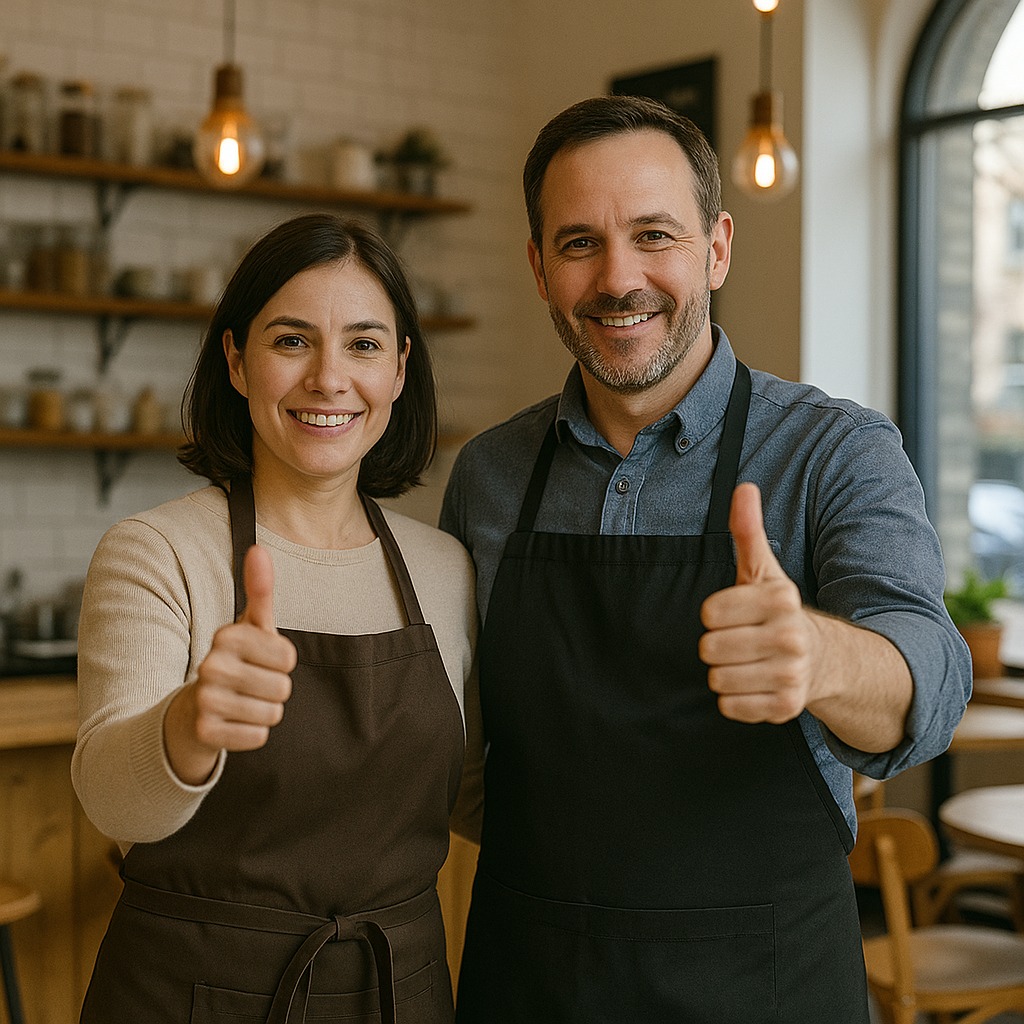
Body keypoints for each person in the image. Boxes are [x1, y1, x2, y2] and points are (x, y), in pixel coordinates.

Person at [440, 96, 971, 1023]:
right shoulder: (490, 475)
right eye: (578, 244)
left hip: (765, 985)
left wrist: (815, 653)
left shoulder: (833, 452)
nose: (619, 278)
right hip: (530, 979)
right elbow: (456, 744)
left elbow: (929, 679)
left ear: (717, 248)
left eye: (655, 235)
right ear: (537, 267)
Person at [72, 213, 478, 1024]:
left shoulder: (445, 568)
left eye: (363, 345)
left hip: (400, 995)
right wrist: (189, 724)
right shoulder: (157, 552)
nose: (329, 379)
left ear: (400, 369)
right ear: (235, 360)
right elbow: (112, 801)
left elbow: (468, 793)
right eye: (291, 341)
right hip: (189, 996)